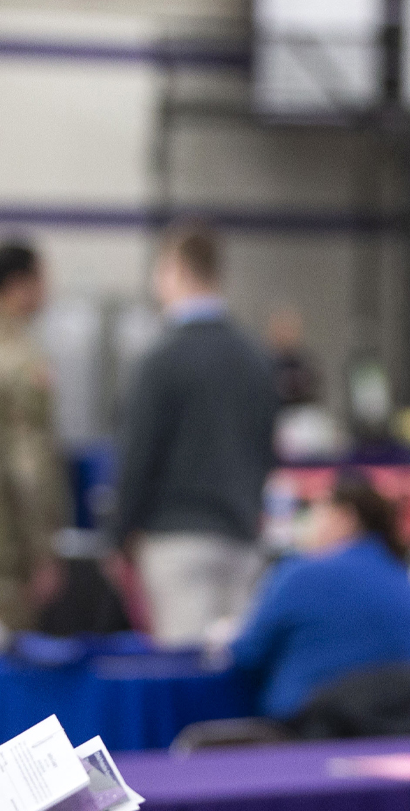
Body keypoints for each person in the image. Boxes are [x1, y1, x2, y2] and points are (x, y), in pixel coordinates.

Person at [113, 222, 279, 646]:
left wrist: (119, 537)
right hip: (241, 539)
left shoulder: (160, 359)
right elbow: (266, 449)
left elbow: (139, 454)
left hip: (177, 542)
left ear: (177, 270)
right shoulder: (256, 358)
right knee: (231, 671)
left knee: (184, 672)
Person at [225, 474, 410, 722]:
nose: (306, 523)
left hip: (311, 733)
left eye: (314, 510)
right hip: (399, 730)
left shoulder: (301, 574)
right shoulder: (403, 577)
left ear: (344, 517)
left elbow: (247, 654)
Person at [0, 241, 65, 636]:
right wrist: (42, 555)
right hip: (7, 554)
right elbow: (27, 466)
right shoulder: (20, 358)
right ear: (19, 285)